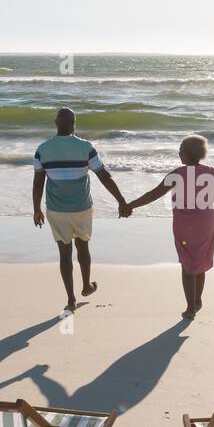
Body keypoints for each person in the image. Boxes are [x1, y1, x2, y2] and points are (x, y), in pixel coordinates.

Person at [32, 108, 131, 313]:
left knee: (64, 254)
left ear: (55, 123)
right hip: (82, 208)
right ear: (74, 123)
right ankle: (86, 286)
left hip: (56, 210)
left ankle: (70, 299)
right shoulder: (86, 147)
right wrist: (121, 201)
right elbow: (104, 176)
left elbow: (38, 183)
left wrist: (36, 210)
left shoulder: (42, 149)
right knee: (83, 248)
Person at [124, 134, 214, 319]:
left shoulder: (177, 174)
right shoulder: (212, 172)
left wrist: (130, 205)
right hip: (206, 226)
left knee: (187, 266)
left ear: (185, 154)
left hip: (185, 228)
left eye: (180, 151)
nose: (178, 154)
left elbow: (153, 195)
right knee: (199, 264)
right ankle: (198, 300)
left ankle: (190, 307)